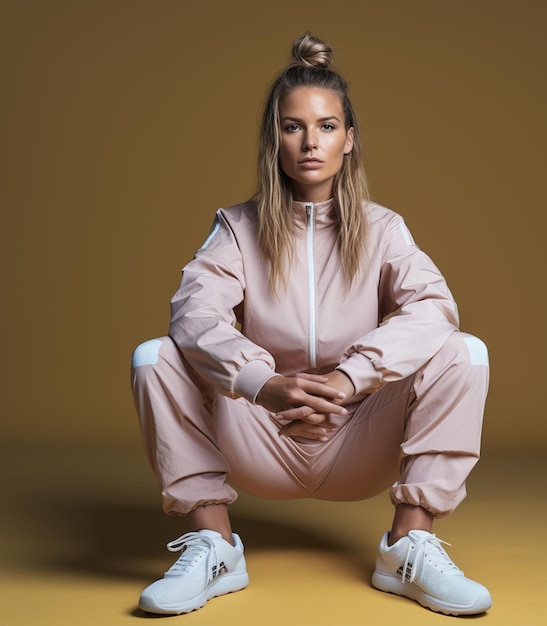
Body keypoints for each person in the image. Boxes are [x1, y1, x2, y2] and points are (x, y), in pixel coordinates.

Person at [131, 32, 492, 617]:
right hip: (262, 436)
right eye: (293, 126)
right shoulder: (235, 229)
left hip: (357, 438)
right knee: (156, 355)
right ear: (274, 138)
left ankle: (406, 545)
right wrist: (262, 383)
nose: (309, 141)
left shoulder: (383, 230)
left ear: (349, 140)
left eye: (326, 126)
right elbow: (194, 315)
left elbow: (433, 306)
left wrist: (353, 378)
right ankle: (216, 544)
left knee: (463, 350)